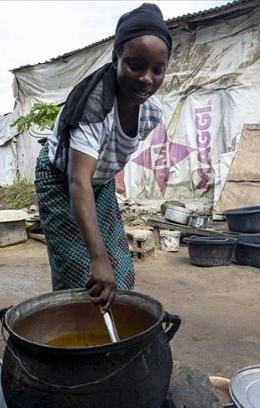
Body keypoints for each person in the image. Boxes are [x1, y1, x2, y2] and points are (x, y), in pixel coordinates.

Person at [35, 3, 171, 313]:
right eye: (135, 65)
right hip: (61, 182)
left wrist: (111, 176)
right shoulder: (94, 107)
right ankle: (74, 346)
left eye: (157, 69)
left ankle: (110, 342)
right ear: (116, 59)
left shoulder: (151, 112)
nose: (147, 79)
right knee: (82, 273)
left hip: (98, 184)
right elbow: (77, 180)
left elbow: (114, 151)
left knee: (120, 271)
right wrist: (97, 258)